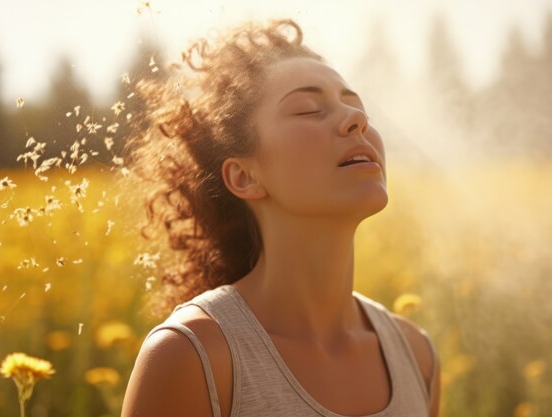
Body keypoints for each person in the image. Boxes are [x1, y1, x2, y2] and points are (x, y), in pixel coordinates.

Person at [120, 18, 440, 417]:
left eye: (356, 107)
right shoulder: (192, 357)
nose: (355, 120)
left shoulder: (416, 356)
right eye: (308, 110)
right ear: (245, 176)